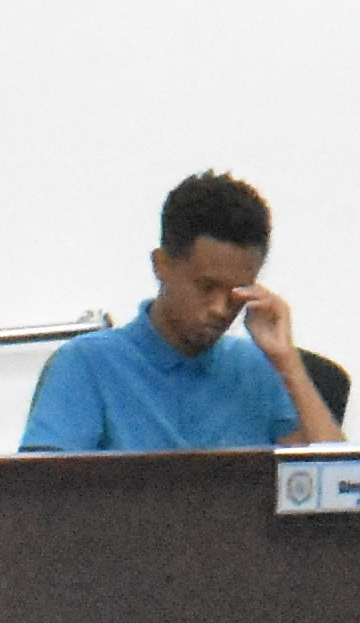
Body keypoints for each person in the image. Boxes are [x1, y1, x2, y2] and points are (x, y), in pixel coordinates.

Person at [19, 169, 341, 449]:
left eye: (237, 293)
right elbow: (40, 492)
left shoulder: (256, 369)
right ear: (161, 265)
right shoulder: (86, 365)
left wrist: (287, 361)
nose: (220, 309)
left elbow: (343, 483)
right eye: (206, 287)